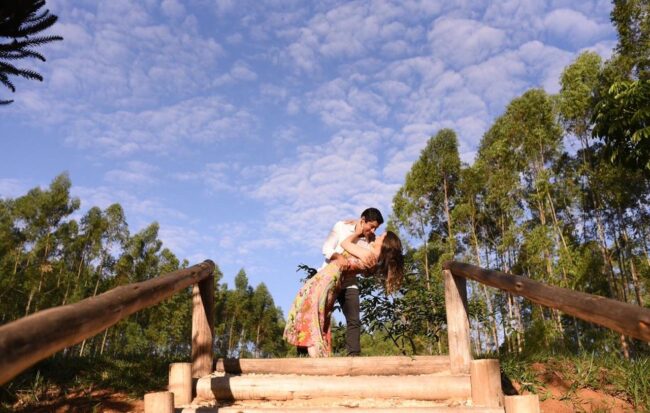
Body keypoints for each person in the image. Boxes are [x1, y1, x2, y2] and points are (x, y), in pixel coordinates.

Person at [283, 216, 404, 357]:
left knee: (311, 317)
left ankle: (316, 359)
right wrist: (359, 224)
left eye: (381, 236)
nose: (377, 235)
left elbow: (345, 243)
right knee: (316, 318)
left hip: (327, 279)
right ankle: (315, 357)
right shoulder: (374, 257)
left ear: (384, 244)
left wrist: (357, 232)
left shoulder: (368, 254)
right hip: (332, 280)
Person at [322, 207, 384, 356]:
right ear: (363, 220)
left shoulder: (371, 241)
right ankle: (313, 354)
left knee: (354, 319)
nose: (373, 231)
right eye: (372, 226)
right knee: (321, 315)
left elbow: (366, 269)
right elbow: (326, 248)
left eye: (376, 228)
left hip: (349, 282)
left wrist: (370, 270)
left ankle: (354, 355)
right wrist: (338, 257)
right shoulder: (341, 226)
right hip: (329, 278)